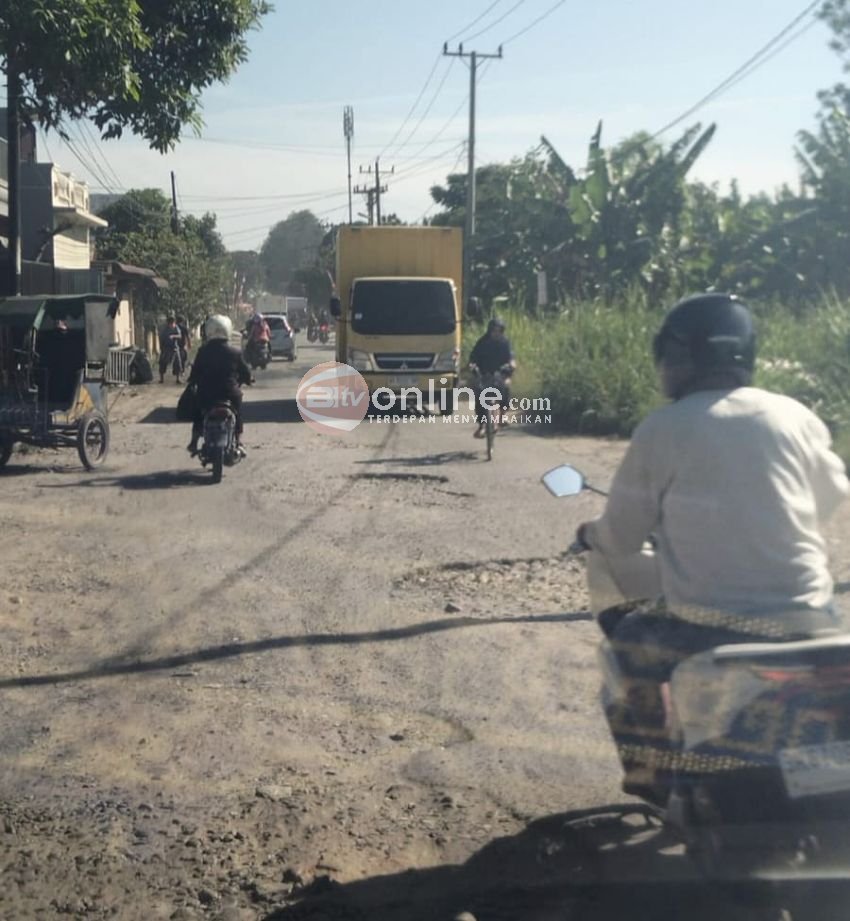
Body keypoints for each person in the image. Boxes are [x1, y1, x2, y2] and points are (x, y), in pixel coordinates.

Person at [575, 292, 849, 797]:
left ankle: (651, 772)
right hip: (812, 620)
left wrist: (590, 534)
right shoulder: (794, 415)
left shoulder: (665, 427)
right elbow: (832, 495)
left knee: (627, 651)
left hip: (707, 625)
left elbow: (622, 535)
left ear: (678, 357)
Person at [186, 314, 253, 456]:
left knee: (198, 413)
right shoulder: (235, 352)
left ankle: (194, 441)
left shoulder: (203, 351)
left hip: (207, 394)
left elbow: (195, 373)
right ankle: (239, 442)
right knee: (238, 413)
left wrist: (193, 381)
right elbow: (246, 372)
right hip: (230, 393)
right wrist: (248, 379)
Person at [468, 317, 516, 438]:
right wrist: (472, 365)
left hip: (500, 373)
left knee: (506, 386)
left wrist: (512, 364)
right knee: (479, 395)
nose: (496, 333)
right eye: (494, 330)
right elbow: (473, 357)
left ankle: (502, 416)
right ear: (489, 330)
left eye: (499, 330)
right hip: (484, 374)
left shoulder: (505, 343)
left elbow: (511, 357)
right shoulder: (482, 342)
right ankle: (481, 427)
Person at [158, 316, 183, 384]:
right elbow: (161, 339)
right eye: (170, 323)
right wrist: (161, 348)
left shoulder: (176, 328)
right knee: (162, 362)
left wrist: (173, 336)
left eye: (173, 323)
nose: (172, 324)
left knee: (177, 363)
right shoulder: (164, 329)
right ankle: (161, 379)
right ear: (168, 323)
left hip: (174, 348)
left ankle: (178, 378)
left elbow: (180, 336)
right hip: (166, 348)